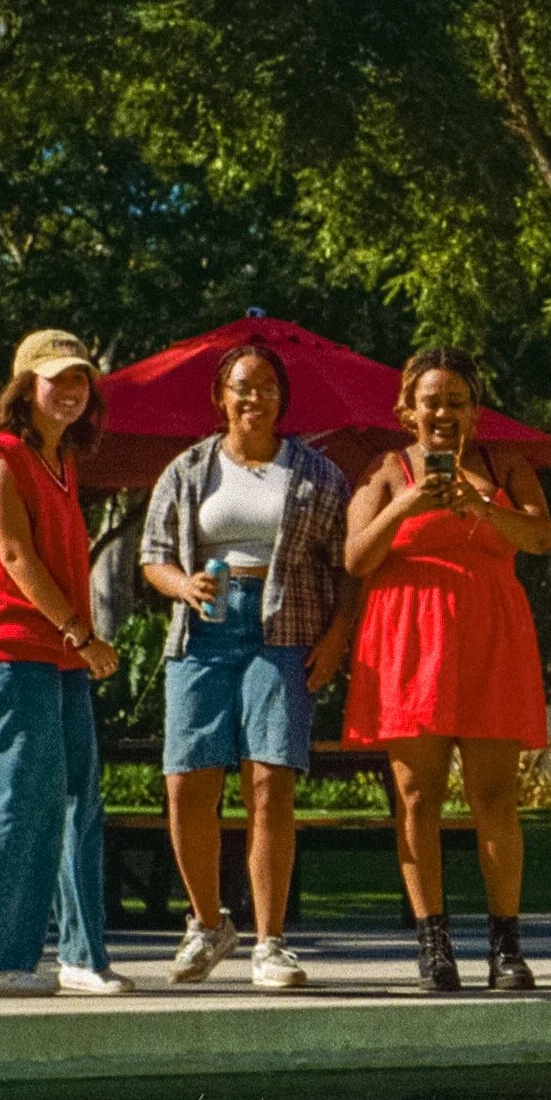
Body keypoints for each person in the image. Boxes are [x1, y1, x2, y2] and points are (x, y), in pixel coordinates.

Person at [139, 340, 356, 992]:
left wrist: (338, 635)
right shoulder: (189, 469)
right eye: (241, 385)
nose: (253, 397)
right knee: (187, 780)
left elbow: (349, 562)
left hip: (283, 628)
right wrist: (181, 584)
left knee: (270, 781)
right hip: (203, 630)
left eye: (265, 386)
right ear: (220, 397)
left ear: (282, 399)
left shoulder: (316, 473)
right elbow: (152, 552)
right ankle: (207, 922)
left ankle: (271, 941)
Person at [344, 347, 551, 993]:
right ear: (408, 410)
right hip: (409, 641)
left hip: (489, 637)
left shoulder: (504, 465)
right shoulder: (384, 470)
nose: (443, 411)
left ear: (475, 410)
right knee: (417, 797)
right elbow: (356, 557)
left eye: (456, 400)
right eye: (431, 400)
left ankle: (506, 946)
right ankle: (433, 941)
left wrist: (482, 505)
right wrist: (407, 506)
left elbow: (542, 537)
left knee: (495, 797)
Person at [0, 328, 125, 998]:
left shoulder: (63, 461)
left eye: (81, 378)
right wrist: (80, 632)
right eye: (58, 378)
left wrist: (73, 642)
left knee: (80, 795)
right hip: (6, 647)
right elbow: (16, 558)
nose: (72, 389)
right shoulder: (2, 457)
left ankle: (82, 955)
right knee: (24, 796)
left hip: (56, 652)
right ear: (26, 387)